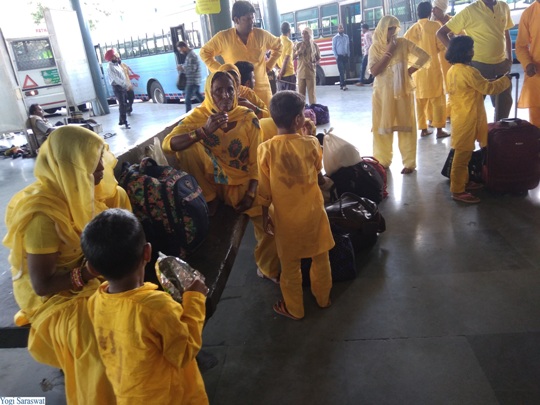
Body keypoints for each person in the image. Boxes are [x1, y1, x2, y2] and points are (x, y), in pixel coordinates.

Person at [2, 126, 131, 404]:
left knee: (138, 308)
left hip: (90, 271)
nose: (101, 167)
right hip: (55, 295)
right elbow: (42, 285)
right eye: (92, 161)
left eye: (99, 157)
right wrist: (89, 272)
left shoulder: (89, 192)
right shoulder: (43, 216)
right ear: (71, 166)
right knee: (95, 340)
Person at [162, 71, 280, 284]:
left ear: (236, 91)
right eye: (218, 91)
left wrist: (251, 193)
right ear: (209, 93)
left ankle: (267, 266)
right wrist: (203, 131)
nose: (225, 96)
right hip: (213, 184)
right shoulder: (200, 117)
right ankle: (209, 199)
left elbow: (256, 160)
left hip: (242, 183)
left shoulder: (247, 117)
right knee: (187, 148)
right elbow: (168, 145)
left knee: (270, 218)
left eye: (230, 90)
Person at [83, 208, 209, 405]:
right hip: (169, 398)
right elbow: (184, 352)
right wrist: (195, 299)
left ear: (92, 268)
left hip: (128, 396)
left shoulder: (96, 300)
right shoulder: (158, 308)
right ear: (147, 252)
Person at [257, 91, 333, 320]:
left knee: (290, 266)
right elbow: (318, 173)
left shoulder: (265, 149)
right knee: (321, 258)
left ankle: (295, 309)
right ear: (298, 119)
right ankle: (323, 298)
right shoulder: (311, 143)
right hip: (314, 214)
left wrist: (264, 216)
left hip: (286, 221)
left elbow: (264, 191)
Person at [445, 36, 510, 203]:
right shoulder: (469, 72)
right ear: (465, 52)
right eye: (471, 48)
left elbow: (476, 85)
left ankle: (464, 181)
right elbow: (488, 88)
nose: (473, 51)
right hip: (469, 118)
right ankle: (457, 190)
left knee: (464, 153)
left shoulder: (453, 70)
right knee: (462, 155)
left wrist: (493, 80)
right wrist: (505, 80)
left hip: (460, 116)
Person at [369, 15, 430, 174]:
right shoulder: (375, 48)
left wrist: (409, 71)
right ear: (382, 29)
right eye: (389, 29)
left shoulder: (403, 43)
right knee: (382, 128)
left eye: (394, 28)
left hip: (402, 93)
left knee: (406, 127)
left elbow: (424, 56)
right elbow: (374, 71)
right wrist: (388, 52)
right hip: (382, 95)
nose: (392, 32)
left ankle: (409, 163)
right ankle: (382, 161)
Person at [436, 0, 514, 121]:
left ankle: (499, 130)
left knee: (504, 104)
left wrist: (510, 58)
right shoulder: (470, 10)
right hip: (477, 66)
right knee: (473, 107)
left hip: (502, 64)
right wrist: (457, 55)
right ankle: (475, 131)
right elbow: (441, 33)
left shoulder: (503, 6)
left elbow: (506, 33)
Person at [199, 0, 282, 107]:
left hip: (262, 90)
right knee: (242, 117)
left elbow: (279, 46)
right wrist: (222, 72)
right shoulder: (223, 38)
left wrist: (269, 66)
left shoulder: (261, 35)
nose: (251, 22)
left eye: (252, 18)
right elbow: (204, 53)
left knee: (265, 116)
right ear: (236, 20)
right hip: (237, 92)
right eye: (247, 19)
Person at [404, 2, 449, 138]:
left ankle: (423, 129)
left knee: (420, 101)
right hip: (433, 69)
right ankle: (439, 130)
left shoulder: (411, 30)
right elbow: (441, 46)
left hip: (417, 71)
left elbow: (405, 48)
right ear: (430, 12)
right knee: (438, 100)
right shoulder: (435, 26)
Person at [515, 0, 540, 128]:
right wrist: (528, 63)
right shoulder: (529, 13)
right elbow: (521, 46)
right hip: (537, 75)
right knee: (537, 122)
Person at [431, 0, 454, 120]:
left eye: (435, 8)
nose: (433, 11)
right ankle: (444, 115)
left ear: (442, 9)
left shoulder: (453, 21)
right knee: (441, 89)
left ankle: (450, 113)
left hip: (453, 61)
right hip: (439, 61)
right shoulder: (432, 24)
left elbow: (463, 36)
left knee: (453, 87)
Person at [294, 27, 321, 104]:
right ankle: (302, 110)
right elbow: (292, 57)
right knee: (300, 96)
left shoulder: (315, 46)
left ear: (310, 34)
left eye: (306, 33)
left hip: (310, 73)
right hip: (301, 73)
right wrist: (299, 51)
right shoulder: (298, 45)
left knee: (312, 94)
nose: (304, 35)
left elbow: (319, 59)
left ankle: (313, 109)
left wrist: (313, 64)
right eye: (303, 34)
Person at [104, 49, 130, 128]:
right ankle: (124, 121)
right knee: (122, 104)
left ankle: (121, 121)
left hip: (122, 86)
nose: (116, 57)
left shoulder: (116, 64)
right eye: (114, 56)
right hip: (118, 87)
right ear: (111, 57)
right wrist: (124, 84)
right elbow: (116, 79)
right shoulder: (110, 67)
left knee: (124, 103)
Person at [177, 40, 204, 113]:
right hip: (194, 81)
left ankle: (187, 115)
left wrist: (182, 68)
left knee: (187, 100)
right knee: (199, 97)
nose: (181, 52)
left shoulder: (191, 56)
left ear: (184, 47)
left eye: (180, 50)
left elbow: (192, 69)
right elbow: (189, 66)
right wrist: (183, 66)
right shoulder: (190, 55)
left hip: (192, 81)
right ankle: (209, 108)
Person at [277, 22, 296, 91]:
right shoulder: (289, 43)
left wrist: (278, 71)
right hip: (289, 74)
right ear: (289, 31)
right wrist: (281, 73)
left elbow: (273, 57)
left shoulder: (277, 40)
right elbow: (286, 59)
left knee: (282, 96)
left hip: (279, 74)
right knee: (291, 96)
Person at [332, 24, 350, 91]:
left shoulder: (346, 37)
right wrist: (336, 56)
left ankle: (342, 84)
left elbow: (348, 46)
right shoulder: (335, 38)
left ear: (343, 29)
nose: (341, 29)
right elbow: (333, 48)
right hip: (339, 56)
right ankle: (343, 85)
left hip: (345, 56)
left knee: (344, 71)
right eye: (339, 28)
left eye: (342, 28)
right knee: (341, 71)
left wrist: (348, 54)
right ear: (338, 29)